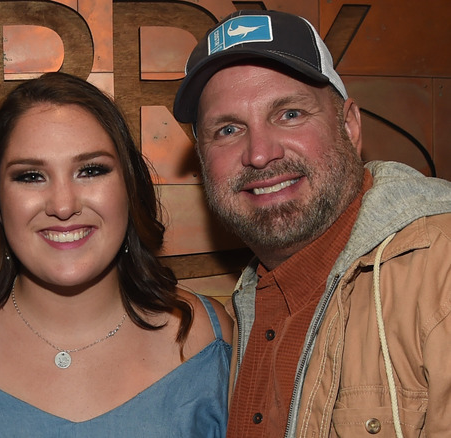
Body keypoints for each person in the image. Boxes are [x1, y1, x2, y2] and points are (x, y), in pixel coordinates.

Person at [0, 72, 233, 436]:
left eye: (90, 171)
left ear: (129, 187)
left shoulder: (206, 339)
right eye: (30, 176)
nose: (62, 205)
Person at [173, 9, 451, 438]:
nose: (260, 153)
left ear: (350, 126)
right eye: (228, 129)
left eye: (289, 114)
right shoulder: (237, 316)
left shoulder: (439, 273)